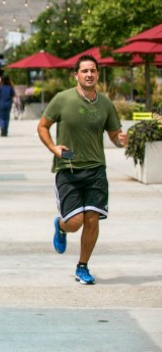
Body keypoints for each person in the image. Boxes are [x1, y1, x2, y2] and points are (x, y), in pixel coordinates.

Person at [36, 54, 127, 285]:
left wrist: (121, 139)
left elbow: (115, 135)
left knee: (93, 219)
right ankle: (61, 225)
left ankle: (82, 266)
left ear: (98, 74)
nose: (89, 74)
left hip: (96, 169)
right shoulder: (62, 99)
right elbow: (43, 126)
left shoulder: (105, 103)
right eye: (84, 71)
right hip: (69, 167)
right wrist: (53, 148)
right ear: (75, 74)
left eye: (93, 71)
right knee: (75, 222)